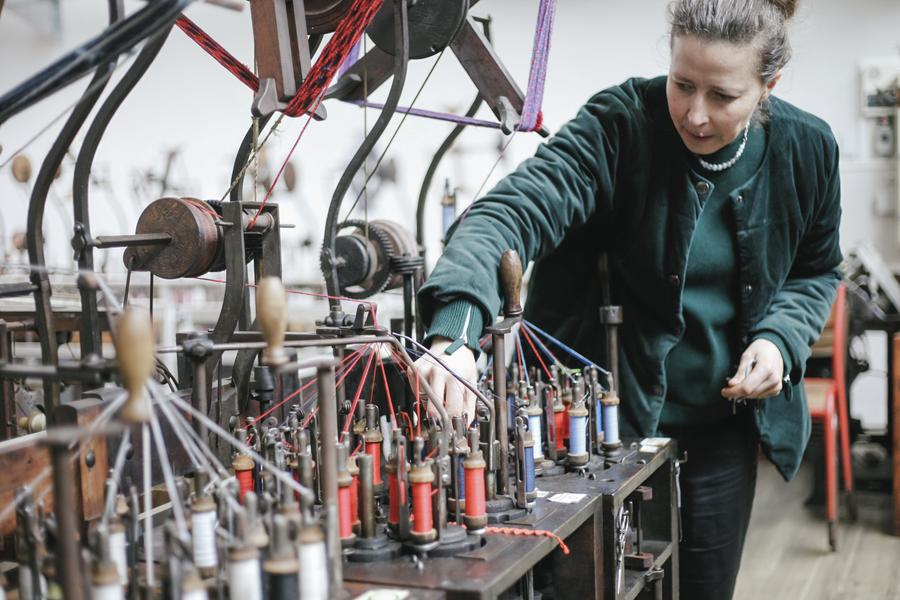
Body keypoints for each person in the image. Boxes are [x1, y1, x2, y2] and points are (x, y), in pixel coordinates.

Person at [414, 0, 841, 598]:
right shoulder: (618, 126)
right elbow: (509, 215)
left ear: (768, 86)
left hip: (720, 435)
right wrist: (456, 332)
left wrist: (779, 340)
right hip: (597, 440)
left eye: (723, 96)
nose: (694, 115)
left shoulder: (809, 150)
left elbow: (816, 271)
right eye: (682, 84)